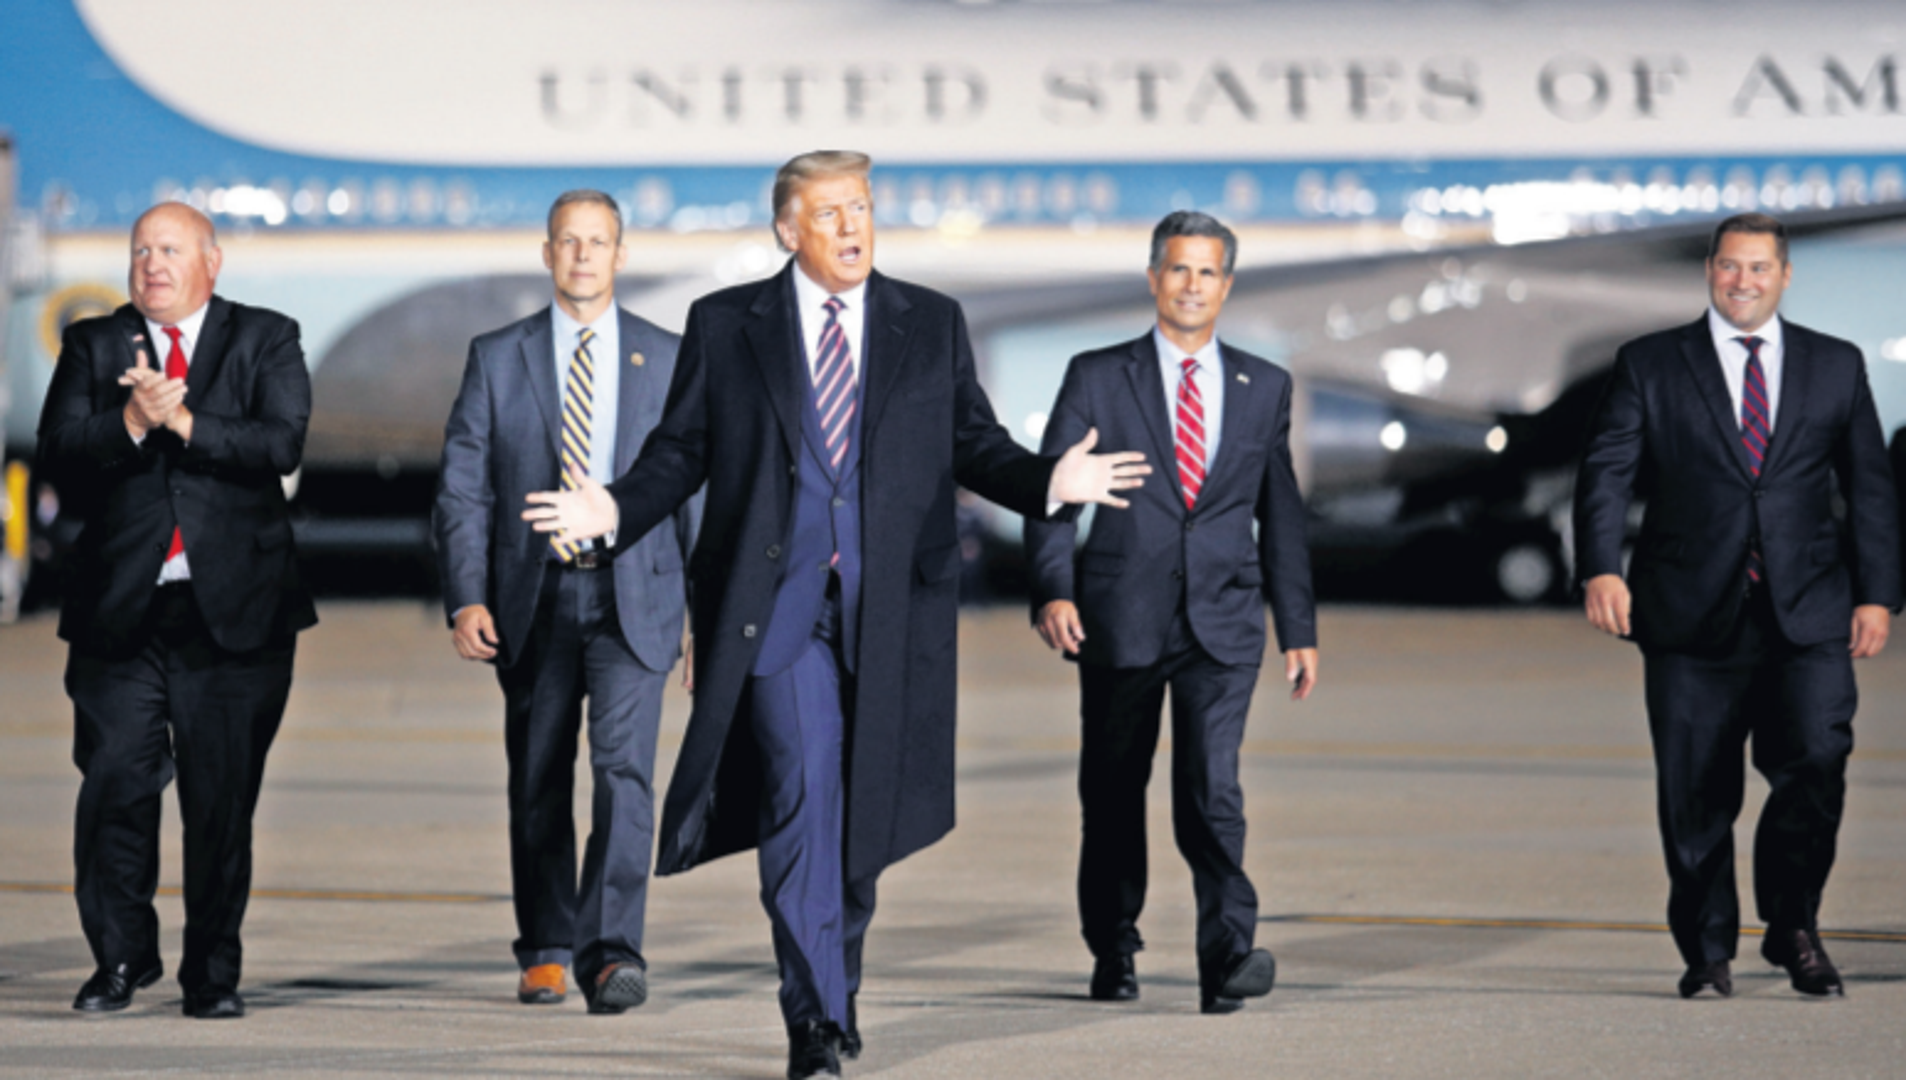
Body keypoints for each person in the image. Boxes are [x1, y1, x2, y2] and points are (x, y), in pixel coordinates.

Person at [522, 150, 1150, 1079]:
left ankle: (837, 983)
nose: (852, 227)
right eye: (830, 213)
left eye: (861, 207)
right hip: (775, 616)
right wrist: (612, 508)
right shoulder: (727, 324)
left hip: (892, 613)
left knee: (862, 827)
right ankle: (812, 1017)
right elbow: (680, 452)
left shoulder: (927, 321)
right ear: (789, 229)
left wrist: (1049, 481)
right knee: (799, 799)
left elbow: (973, 442)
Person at [1574, 212, 1900, 999]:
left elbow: (1869, 486)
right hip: (1689, 610)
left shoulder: (1834, 363)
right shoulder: (1651, 362)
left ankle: (1794, 926)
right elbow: (1607, 472)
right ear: (1709, 272)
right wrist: (1600, 568)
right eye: (1729, 266)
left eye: (1758, 268)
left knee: (1817, 762)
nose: (1742, 281)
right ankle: (1708, 948)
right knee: (1695, 788)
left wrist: (1878, 594)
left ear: (1784, 276)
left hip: (1808, 608)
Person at [1023, 211, 1317, 1015]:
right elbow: (1053, 493)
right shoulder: (1097, 376)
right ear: (1154, 278)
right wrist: (1053, 588)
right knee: (1113, 794)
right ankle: (1113, 945)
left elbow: (1281, 513)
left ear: (1227, 285)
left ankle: (1227, 957)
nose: (1192, 285)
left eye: (1207, 271)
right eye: (1179, 269)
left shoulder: (1265, 386)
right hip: (1119, 617)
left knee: (1212, 789)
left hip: (1223, 623)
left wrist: (1298, 629)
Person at [36, 203, 317, 1019]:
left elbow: (281, 444)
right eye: (139, 252)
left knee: (219, 807)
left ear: (211, 262)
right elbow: (57, 450)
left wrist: (184, 421)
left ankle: (211, 975)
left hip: (234, 614)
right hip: (121, 613)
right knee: (115, 785)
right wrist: (129, 421)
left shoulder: (265, 337)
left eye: (168, 249)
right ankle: (121, 957)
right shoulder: (95, 344)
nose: (151, 265)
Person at [434, 190, 696, 1013]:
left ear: (621, 255)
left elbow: (694, 491)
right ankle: (546, 947)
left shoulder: (670, 357)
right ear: (547, 254)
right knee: (539, 777)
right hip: (534, 598)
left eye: (598, 241)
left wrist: (706, 614)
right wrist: (466, 597)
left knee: (625, 777)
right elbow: (463, 489)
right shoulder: (496, 357)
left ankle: (612, 955)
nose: (583, 255)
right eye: (569, 242)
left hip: (637, 598)